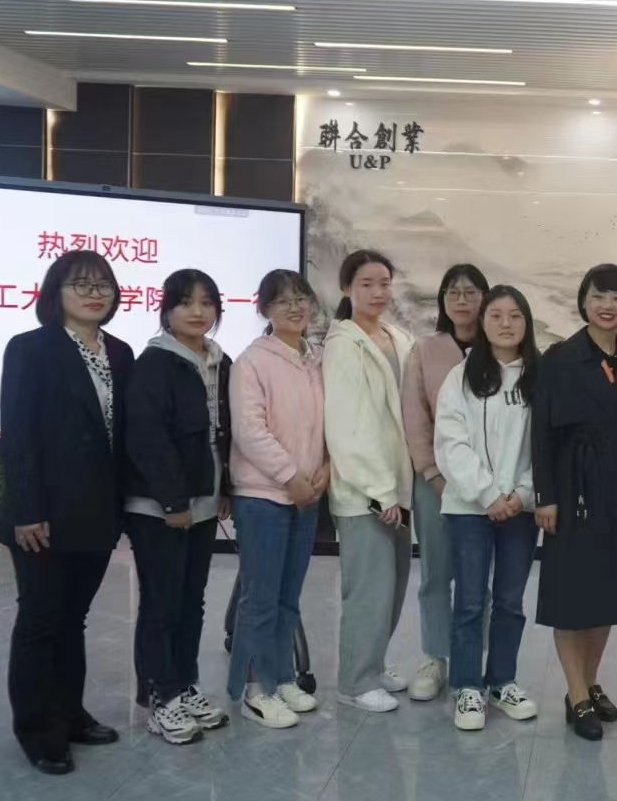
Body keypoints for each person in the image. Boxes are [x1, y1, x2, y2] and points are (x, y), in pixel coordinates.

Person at [0, 250, 134, 775]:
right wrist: (26, 509)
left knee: (72, 619)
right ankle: (37, 730)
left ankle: (70, 715)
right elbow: (18, 433)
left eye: (103, 285)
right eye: (81, 285)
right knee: (41, 619)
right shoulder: (31, 349)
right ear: (55, 292)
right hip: (44, 515)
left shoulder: (119, 352)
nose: (94, 294)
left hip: (97, 512)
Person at [533, 264, 617, 741]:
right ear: (584, 301)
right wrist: (546, 496)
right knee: (572, 596)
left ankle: (589, 682)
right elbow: (541, 434)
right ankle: (576, 694)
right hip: (573, 487)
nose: (608, 306)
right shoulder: (560, 358)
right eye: (599, 296)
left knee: (606, 594)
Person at [124, 268, 233, 745]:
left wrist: (225, 489)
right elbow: (147, 438)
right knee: (162, 600)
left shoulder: (218, 360)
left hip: (204, 501)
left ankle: (185, 686)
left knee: (192, 599)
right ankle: (159, 696)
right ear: (166, 309)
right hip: (159, 505)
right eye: (186, 302)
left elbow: (223, 435)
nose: (197, 311)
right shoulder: (155, 363)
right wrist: (173, 500)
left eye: (207, 303)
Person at [434, 285, 542, 731]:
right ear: (482, 322)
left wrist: (522, 494)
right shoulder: (459, 377)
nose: (505, 324)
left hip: (521, 509)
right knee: (470, 600)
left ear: (526, 323)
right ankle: (467, 687)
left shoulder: (540, 377)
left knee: (511, 601)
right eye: (496, 315)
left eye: (515, 315)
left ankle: (501, 681)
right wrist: (487, 495)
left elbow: (547, 445)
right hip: (468, 508)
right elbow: (451, 443)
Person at [226, 269, 328, 729]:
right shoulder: (252, 361)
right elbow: (250, 431)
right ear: (264, 308)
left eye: (301, 298)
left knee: (289, 596)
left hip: (308, 493)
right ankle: (253, 688)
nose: (295, 307)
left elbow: (327, 422)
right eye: (283, 300)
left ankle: (281, 676)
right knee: (260, 598)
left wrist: (325, 468)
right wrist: (290, 476)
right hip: (264, 495)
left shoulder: (316, 359)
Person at [325, 249, 416, 714]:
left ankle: (374, 665)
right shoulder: (344, 344)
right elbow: (348, 426)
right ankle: (355, 681)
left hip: (397, 487)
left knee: (393, 584)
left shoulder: (397, 337)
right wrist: (379, 489)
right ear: (347, 289)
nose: (378, 292)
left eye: (384, 282)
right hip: (365, 491)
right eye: (366, 284)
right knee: (368, 589)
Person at [402, 263, 491, 703]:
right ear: (442, 300)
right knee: (436, 574)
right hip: (434, 482)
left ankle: (474, 659)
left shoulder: (500, 347)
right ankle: (435, 657)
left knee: (478, 577)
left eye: (471, 292)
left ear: (485, 298)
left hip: (487, 484)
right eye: (453, 292)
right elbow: (415, 419)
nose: (461, 300)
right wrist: (433, 474)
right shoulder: (426, 349)